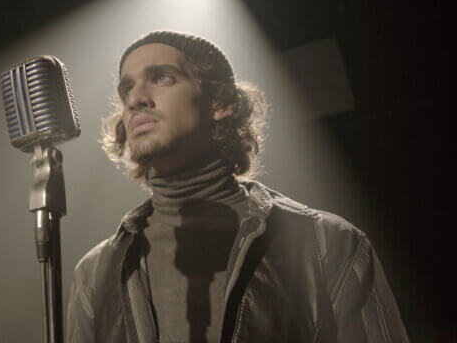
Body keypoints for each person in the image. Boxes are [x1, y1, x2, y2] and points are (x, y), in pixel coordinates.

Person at [65, 30, 409, 342]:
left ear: (221, 103)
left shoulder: (327, 243)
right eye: (126, 88)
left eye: (161, 78)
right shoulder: (97, 274)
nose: (135, 98)